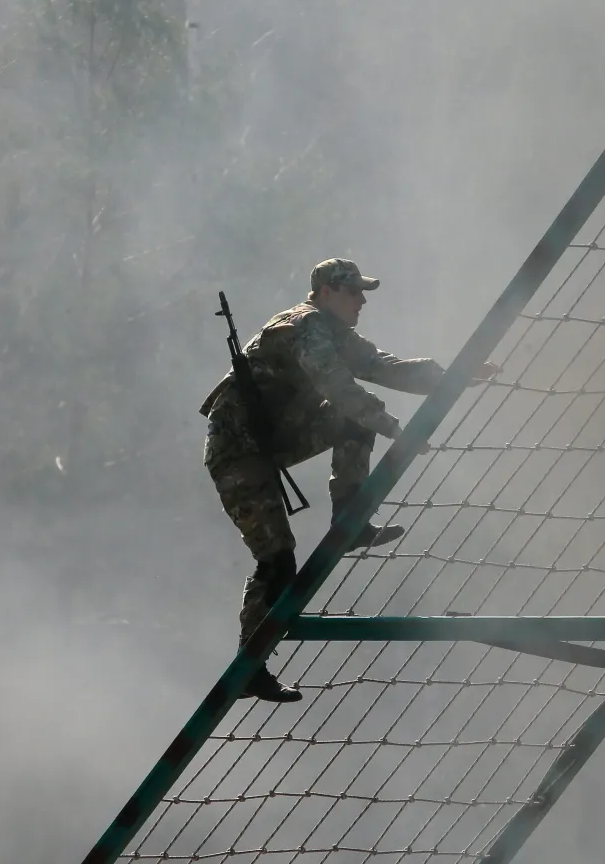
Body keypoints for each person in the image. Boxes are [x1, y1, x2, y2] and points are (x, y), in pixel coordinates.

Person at [199, 258, 498, 702]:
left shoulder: (333, 332)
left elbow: (383, 366)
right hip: (237, 452)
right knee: (278, 559)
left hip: (272, 439)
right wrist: (392, 426)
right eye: (353, 291)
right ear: (325, 291)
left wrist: (452, 377)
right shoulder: (306, 327)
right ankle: (250, 665)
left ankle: (349, 515)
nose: (361, 301)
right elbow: (335, 384)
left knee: (354, 420)